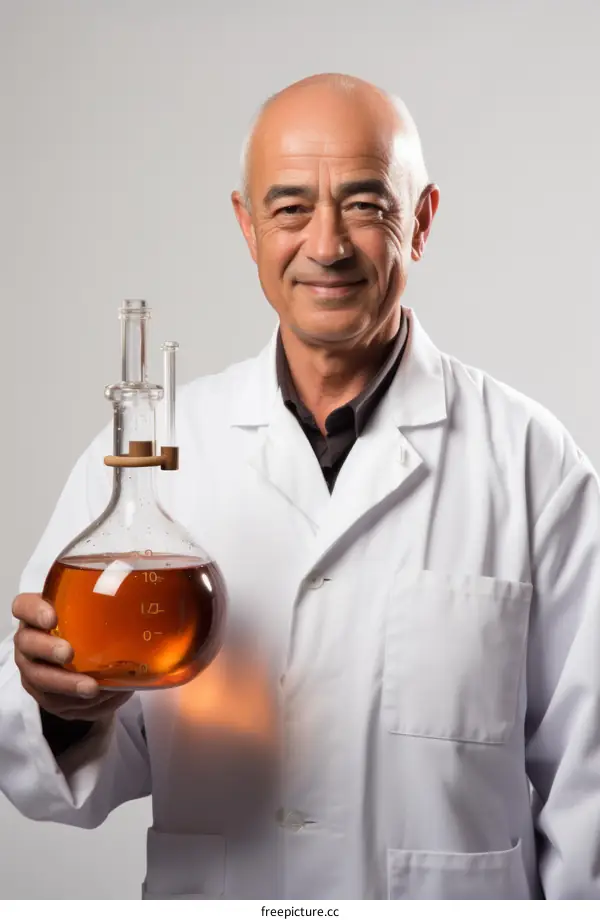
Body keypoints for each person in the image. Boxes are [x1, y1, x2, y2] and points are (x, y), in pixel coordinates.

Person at [1, 72, 599, 901]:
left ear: (421, 223)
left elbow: (591, 788)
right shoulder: (152, 450)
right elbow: (61, 778)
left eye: (365, 205)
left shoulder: (532, 464)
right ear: (247, 228)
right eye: (289, 209)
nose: (326, 245)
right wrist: (68, 708)